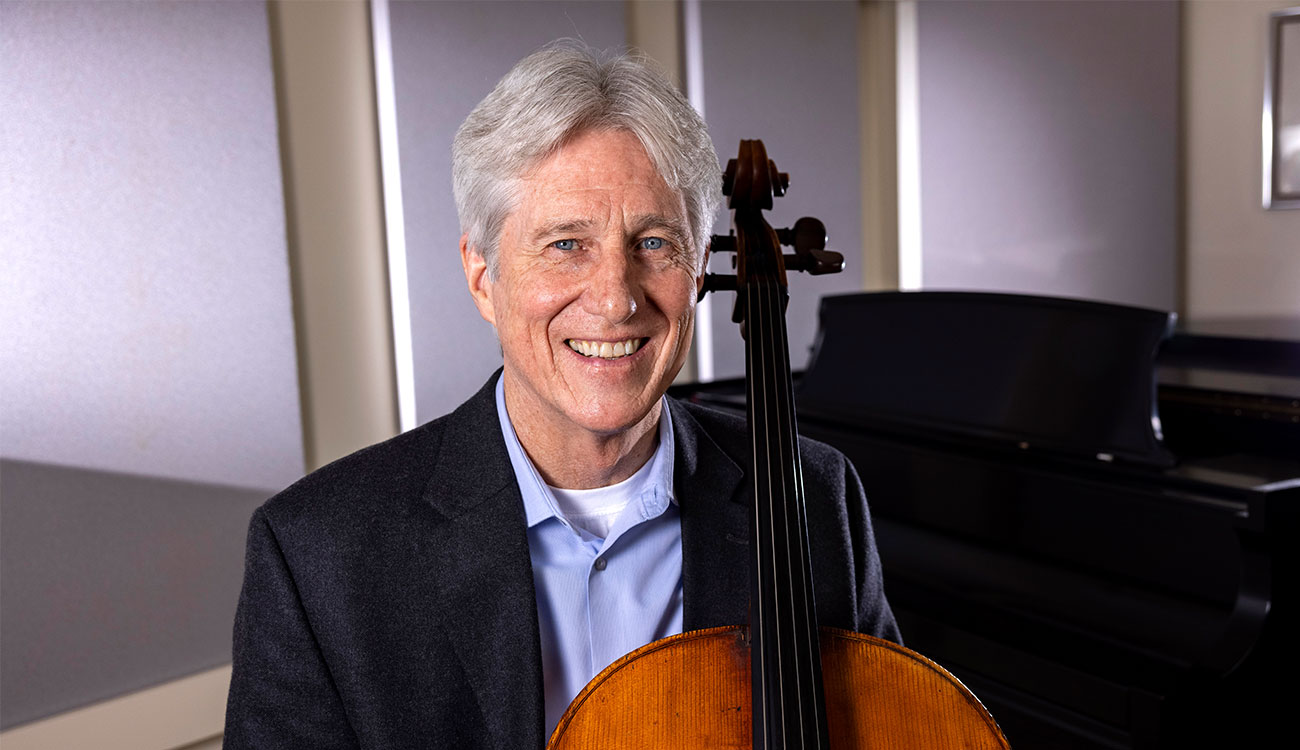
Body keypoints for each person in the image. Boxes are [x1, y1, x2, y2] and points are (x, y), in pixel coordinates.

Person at [223, 41, 899, 749]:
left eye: (655, 243)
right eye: (566, 244)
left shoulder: (815, 497)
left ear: (700, 268)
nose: (614, 300)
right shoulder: (318, 553)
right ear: (482, 275)